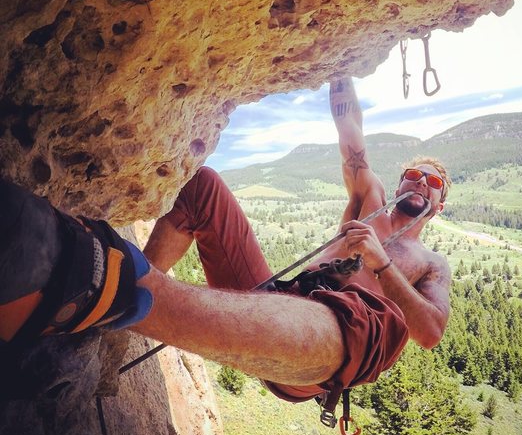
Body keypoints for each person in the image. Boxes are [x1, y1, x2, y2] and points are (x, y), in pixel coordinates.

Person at [0, 77, 450, 413]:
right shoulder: (368, 203)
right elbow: (351, 132)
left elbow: (429, 332)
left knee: (359, 321)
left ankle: (106, 288)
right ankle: (116, 318)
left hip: (334, 346)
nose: (420, 183)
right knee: (200, 188)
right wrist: (345, 64)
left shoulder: (430, 264)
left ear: (439, 206)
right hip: (282, 304)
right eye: (413, 175)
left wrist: (382, 265)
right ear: (399, 183)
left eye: (432, 183)